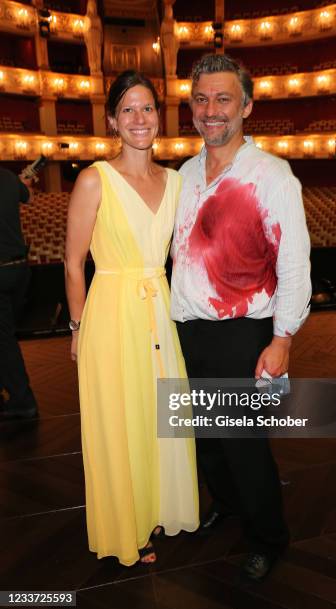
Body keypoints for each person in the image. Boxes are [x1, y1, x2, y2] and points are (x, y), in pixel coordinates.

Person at [170, 54, 311, 581]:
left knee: (242, 445)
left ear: (246, 106)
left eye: (223, 99)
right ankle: (228, 506)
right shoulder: (182, 175)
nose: (212, 110)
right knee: (203, 437)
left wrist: (283, 339)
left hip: (245, 333)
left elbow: (294, 263)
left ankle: (268, 537)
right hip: (188, 330)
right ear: (191, 107)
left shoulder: (273, 175)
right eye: (202, 99)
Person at [64, 70, 199, 566]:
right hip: (111, 313)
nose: (138, 118)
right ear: (112, 121)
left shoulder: (178, 181)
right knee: (119, 421)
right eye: (128, 110)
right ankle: (128, 527)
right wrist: (77, 329)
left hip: (159, 312)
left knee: (160, 414)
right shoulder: (93, 178)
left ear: (158, 118)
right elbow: (73, 263)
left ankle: (159, 506)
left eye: (146, 108)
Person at [0, 166, 38, 420]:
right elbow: (30, 196)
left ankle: (22, 400)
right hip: (18, 270)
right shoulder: (6, 176)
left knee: (3, 339)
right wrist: (22, 181)